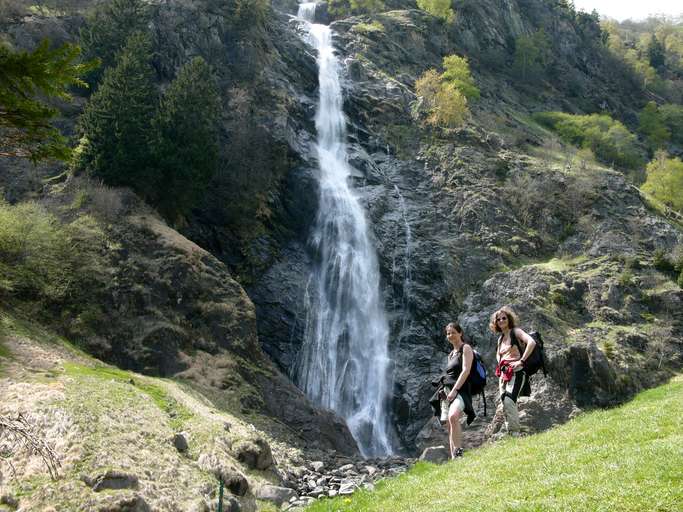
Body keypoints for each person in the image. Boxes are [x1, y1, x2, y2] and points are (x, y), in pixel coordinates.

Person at [490, 306, 535, 436]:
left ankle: (515, 432)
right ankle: (510, 431)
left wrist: (521, 361)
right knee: (504, 401)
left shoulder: (516, 331)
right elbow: (499, 355)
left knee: (509, 400)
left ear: (509, 319)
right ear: (496, 323)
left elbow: (531, 342)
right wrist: (501, 364)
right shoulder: (500, 339)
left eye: (504, 318)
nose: (501, 321)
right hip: (504, 375)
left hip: (517, 372)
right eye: (498, 319)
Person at [438, 322, 475, 458]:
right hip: (447, 391)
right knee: (449, 423)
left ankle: (458, 451)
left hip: (461, 390)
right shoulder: (450, 354)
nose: (450, 335)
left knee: (453, 416)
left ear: (460, 333)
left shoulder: (466, 348)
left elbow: (466, 370)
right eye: (448, 333)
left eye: (453, 332)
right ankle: (454, 456)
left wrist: (455, 390)